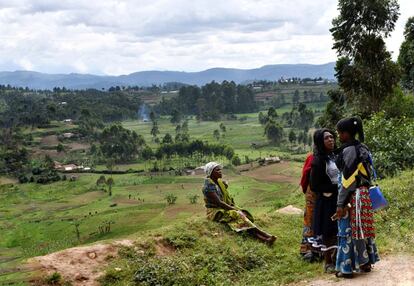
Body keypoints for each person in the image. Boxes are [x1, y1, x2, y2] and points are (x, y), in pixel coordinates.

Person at [334, 117, 380, 278]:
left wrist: (340, 204)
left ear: (346, 134)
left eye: (339, 133)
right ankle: (365, 262)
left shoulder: (348, 151)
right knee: (361, 230)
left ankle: (347, 268)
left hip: (353, 197)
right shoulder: (363, 148)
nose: (338, 136)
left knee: (348, 230)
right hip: (364, 194)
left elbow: (347, 181)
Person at [202, 162, 276, 245]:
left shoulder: (217, 182)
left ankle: (263, 239)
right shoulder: (208, 187)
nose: (220, 171)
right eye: (217, 170)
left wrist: (225, 185)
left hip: (222, 208)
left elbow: (223, 190)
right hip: (215, 211)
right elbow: (219, 202)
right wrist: (232, 208)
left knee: (244, 213)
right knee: (238, 214)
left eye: (220, 169)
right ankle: (264, 235)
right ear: (211, 172)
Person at [310, 129, 339, 273]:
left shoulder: (335, 156)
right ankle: (328, 262)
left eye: (332, 137)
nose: (331, 140)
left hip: (338, 199)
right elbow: (314, 185)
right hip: (326, 201)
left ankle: (338, 259)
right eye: (327, 138)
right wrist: (335, 187)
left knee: (338, 230)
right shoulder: (318, 161)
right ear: (320, 142)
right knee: (328, 232)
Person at [299, 152, 321, 262]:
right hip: (312, 193)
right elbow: (305, 177)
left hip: (323, 193)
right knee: (310, 219)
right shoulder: (312, 157)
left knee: (312, 219)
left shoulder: (330, 156)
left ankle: (316, 249)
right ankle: (309, 249)